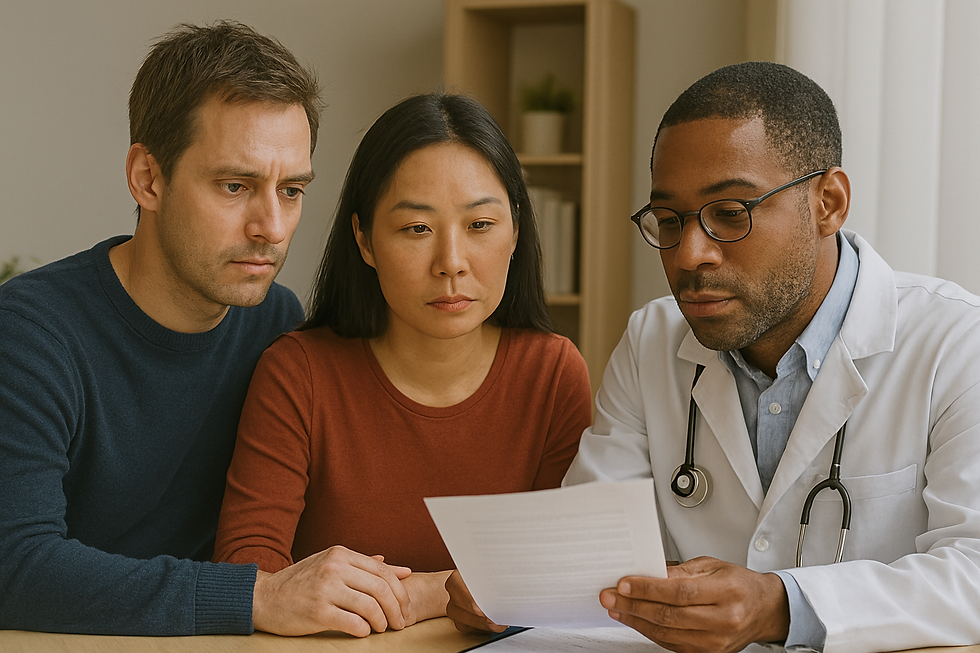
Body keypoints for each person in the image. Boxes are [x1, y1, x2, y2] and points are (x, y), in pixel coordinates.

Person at [445, 61, 980, 652]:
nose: (689, 254)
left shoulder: (956, 343)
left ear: (828, 202)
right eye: (669, 221)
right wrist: (518, 587)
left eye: (731, 213)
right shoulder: (652, 338)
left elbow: (974, 572)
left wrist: (781, 604)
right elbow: (588, 548)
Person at [0, 20, 379, 637]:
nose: (272, 227)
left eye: (291, 190)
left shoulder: (278, 326)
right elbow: (14, 566)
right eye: (236, 186)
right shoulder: (30, 335)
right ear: (148, 178)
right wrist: (253, 597)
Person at [212, 92, 593, 637]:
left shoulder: (552, 374)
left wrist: (423, 594)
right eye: (417, 229)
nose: (451, 264)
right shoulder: (298, 372)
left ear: (516, 232)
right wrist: (445, 588)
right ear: (364, 239)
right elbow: (248, 576)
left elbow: (564, 573)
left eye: (481, 224)